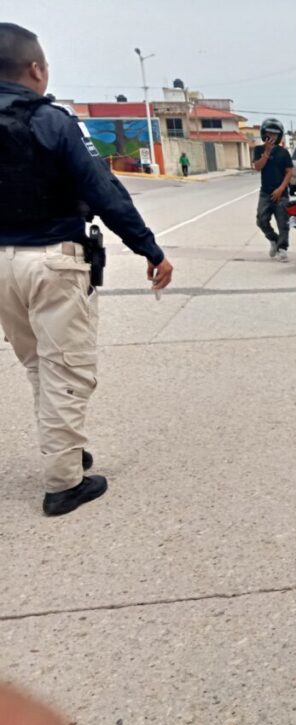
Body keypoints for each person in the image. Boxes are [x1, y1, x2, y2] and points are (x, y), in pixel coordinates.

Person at [0, 23, 173, 515]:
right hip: (52, 262)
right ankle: (63, 483)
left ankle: (65, 450)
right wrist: (150, 249)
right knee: (65, 371)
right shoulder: (53, 121)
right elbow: (103, 190)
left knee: (38, 365)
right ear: (35, 69)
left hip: (1, 266)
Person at [252, 118, 293, 262]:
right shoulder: (258, 150)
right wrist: (267, 153)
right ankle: (274, 240)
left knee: (283, 222)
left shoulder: (284, 153)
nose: (272, 137)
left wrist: (281, 189)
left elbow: (289, 172)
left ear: (279, 136)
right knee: (261, 220)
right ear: (264, 134)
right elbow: (258, 167)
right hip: (265, 192)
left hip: (281, 193)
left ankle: (282, 249)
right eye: (269, 134)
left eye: (275, 134)